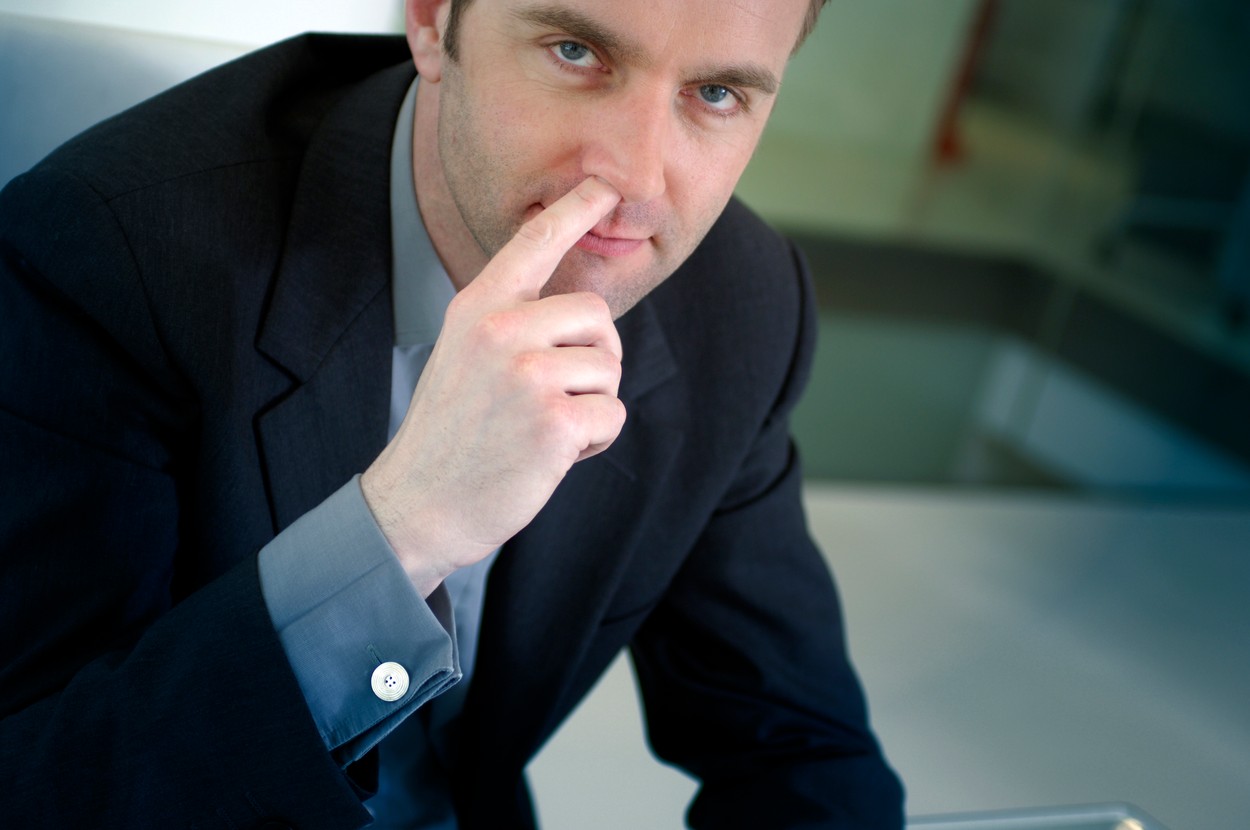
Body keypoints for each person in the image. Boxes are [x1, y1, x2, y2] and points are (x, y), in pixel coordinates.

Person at [0, 0, 904, 826]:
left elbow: (799, 750)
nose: (635, 178)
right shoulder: (107, 251)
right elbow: (40, 782)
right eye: (577, 51)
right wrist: (402, 529)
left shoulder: (743, 302)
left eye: (715, 93)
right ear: (434, 20)